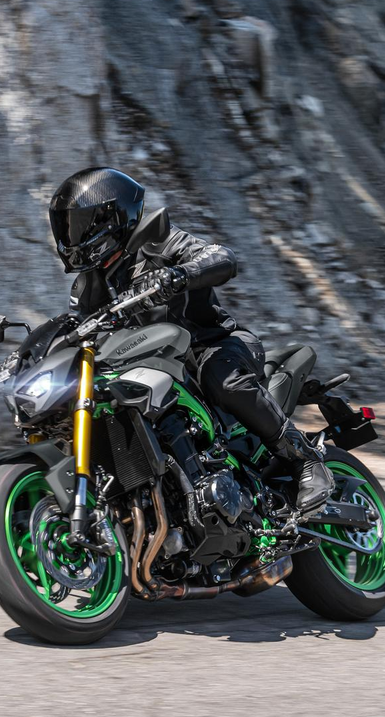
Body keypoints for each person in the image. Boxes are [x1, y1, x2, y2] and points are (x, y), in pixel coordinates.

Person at [48, 167, 333, 513]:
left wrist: (179, 274)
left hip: (212, 346)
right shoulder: (87, 287)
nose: (71, 236)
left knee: (222, 379)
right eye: (67, 227)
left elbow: (222, 257)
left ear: (111, 218)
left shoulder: (158, 242)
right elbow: (78, 329)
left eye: (79, 225)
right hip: (148, 366)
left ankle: (305, 458)